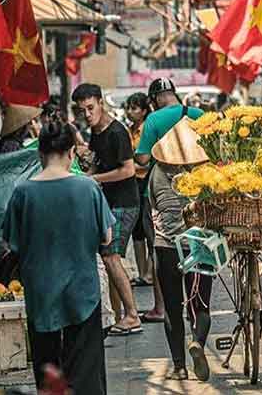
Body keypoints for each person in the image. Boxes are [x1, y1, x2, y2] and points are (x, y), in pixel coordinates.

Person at [2, 121, 113, 394]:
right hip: (82, 291)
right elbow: (106, 238)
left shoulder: (22, 193)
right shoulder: (88, 188)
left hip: (40, 293)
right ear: (72, 153)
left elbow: (9, 242)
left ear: (39, 153)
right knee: (86, 373)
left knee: (47, 371)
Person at [135, 78, 211, 382]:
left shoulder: (153, 120)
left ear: (154, 100)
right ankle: (198, 342)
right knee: (201, 300)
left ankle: (179, 366)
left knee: (172, 303)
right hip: (201, 231)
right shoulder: (198, 116)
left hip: (166, 235)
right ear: (175, 96)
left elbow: (141, 159)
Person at [71, 83, 142, 336]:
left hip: (125, 202)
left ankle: (132, 315)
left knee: (111, 256)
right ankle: (118, 315)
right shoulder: (96, 132)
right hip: (108, 203)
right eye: (83, 111)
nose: (88, 114)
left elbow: (128, 170)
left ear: (101, 102)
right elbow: (97, 168)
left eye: (91, 108)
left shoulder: (117, 132)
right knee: (109, 257)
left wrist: (94, 180)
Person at [125, 92, 165, 323]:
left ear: (145, 110)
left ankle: (150, 273)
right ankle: (143, 273)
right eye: (129, 107)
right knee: (138, 232)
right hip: (133, 181)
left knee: (151, 233)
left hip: (145, 181)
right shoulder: (130, 130)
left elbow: (142, 159)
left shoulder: (148, 128)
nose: (131, 112)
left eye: (135, 108)